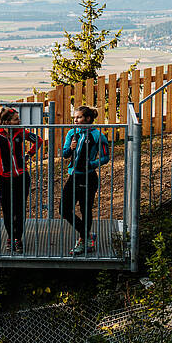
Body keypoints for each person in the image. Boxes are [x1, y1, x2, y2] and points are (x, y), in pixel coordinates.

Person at [0, 106, 44, 252]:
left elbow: (38, 140)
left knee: (19, 210)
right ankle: (10, 237)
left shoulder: (21, 131)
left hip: (21, 177)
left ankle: (17, 239)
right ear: (6, 122)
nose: (19, 120)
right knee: (7, 210)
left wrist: (29, 155)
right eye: (16, 119)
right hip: (5, 178)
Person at [61, 105, 111, 255]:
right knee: (64, 209)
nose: (75, 120)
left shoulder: (97, 135)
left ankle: (83, 241)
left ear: (88, 119)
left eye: (79, 117)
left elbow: (105, 157)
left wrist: (92, 164)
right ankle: (87, 235)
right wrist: (70, 148)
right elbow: (64, 154)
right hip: (73, 176)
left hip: (89, 177)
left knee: (85, 209)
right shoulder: (71, 133)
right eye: (74, 117)